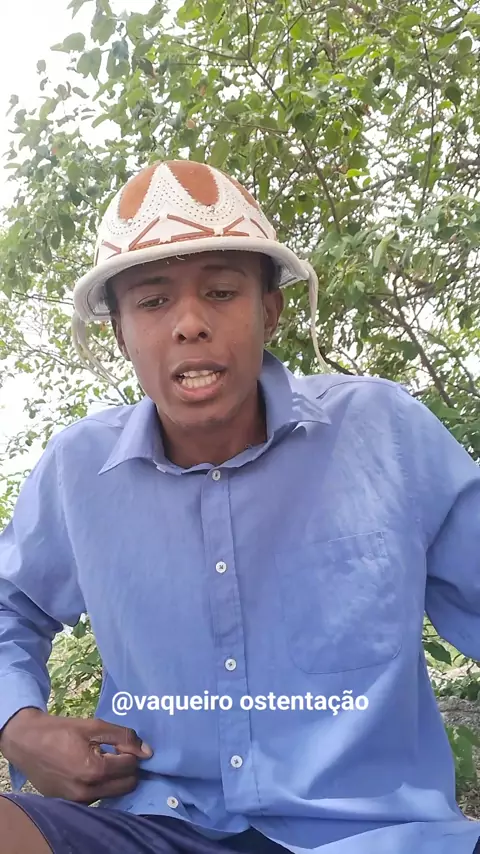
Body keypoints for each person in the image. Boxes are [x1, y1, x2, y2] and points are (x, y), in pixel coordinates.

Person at [0, 158, 479, 854]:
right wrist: (17, 723)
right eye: (153, 302)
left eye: (222, 291)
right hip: (160, 827)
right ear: (121, 334)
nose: (190, 324)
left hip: (381, 834)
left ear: (270, 312)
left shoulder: (383, 434)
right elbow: (9, 605)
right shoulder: (79, 470)